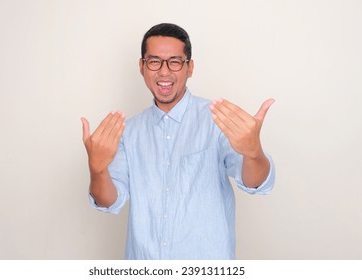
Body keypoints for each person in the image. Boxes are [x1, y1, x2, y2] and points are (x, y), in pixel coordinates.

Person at [81, 23, 275, 259]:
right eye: (154, 61)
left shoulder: (218, 120)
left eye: (175, 61)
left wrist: (254, 153)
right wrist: (97, 170)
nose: (164, 72)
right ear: (142, 66)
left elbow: (256, 183)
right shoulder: (127, 132)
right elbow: (109, 201)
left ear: (189, 67)